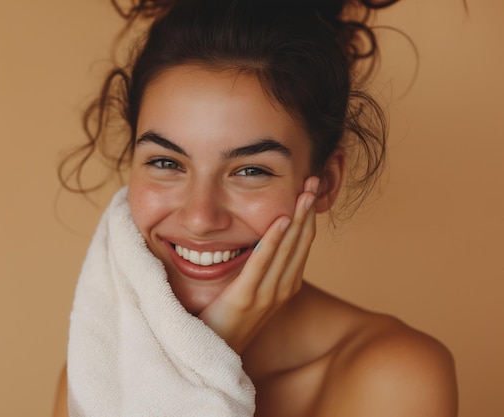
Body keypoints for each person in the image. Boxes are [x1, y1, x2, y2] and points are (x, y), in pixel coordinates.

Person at [54, 0, 458, 415]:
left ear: (326, 182)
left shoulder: (394, 379)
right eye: (166, 163)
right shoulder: (95, 382)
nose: (200, 218)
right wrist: (214, 346)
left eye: (250, 171)